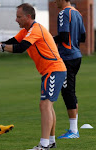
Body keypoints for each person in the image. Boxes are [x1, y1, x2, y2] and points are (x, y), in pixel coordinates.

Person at [0, 3, 67, 150]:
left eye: (19, 17)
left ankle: (44, 145)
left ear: (28, 17)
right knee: (48, 107)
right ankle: (51, 142)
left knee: (45, 105)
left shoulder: (36, 29)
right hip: (50, 71)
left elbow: (20, 48)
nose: (16, 20)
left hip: (54, 70)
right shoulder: (26, 31)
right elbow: (12, 42)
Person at [53, 0, 86, 139]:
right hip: (76, 56)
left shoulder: (63, 13)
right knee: (70, 91)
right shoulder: (77, 12)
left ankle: (73, 131)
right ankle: (73, 129)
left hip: (67, 57)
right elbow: (83, 37)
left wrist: (48, 40)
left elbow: (64, 36)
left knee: (68, 92)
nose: (54, 2)